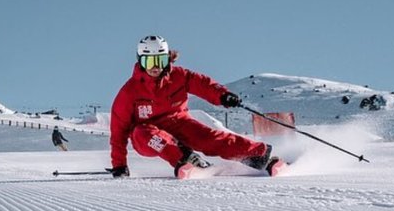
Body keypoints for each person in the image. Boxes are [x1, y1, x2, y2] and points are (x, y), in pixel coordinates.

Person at [108, 35, 281, 179]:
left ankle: (259, 156)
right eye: (149, 61)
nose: (155, 67)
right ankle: (185, 159)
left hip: (179, 122)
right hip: (147, 135)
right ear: (140, 62)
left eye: (159, 60)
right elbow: (118, 132)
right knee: (144, 134)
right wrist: (119, 165)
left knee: (208, 139)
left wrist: (222, 95)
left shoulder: (179, 76)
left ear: (167, 58)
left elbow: (203, 85)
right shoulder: (129, 92)